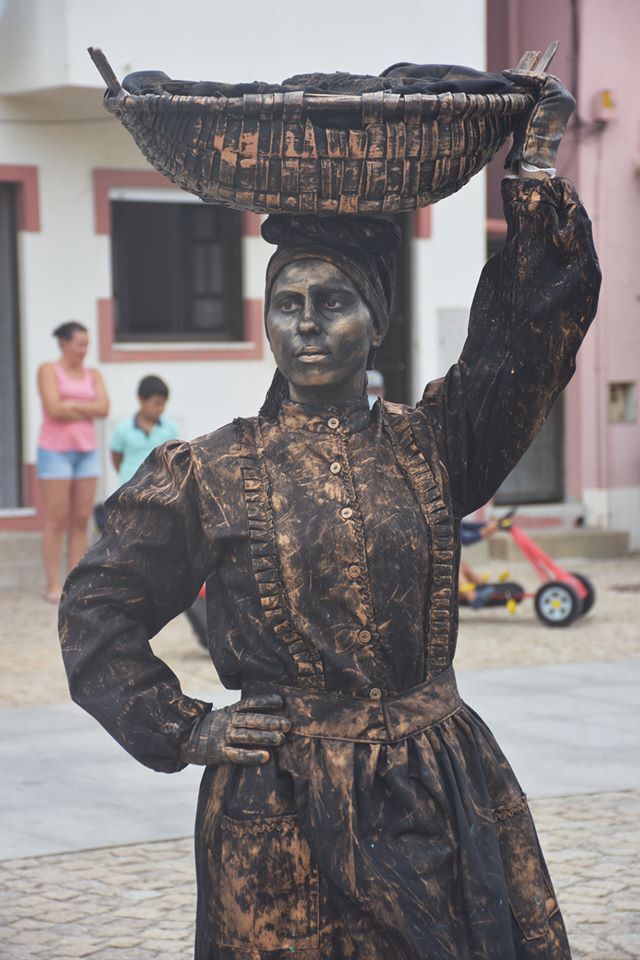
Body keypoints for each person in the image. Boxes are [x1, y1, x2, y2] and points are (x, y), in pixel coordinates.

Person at [59, 69, 600, 959]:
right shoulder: (210, 471)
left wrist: (533, 170)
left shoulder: (438, 442)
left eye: (334, 303)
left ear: (375, 320)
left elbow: (529, 335)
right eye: (287, 304)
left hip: (434, 787)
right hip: (280, 814)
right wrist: (188, 726)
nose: (307, 325)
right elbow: (96, 609)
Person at [37, 321, 109, 603]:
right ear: (64, 343)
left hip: (86, 451)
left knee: (81, 519)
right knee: (56, 519)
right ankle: (52, 583)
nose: (84, 350)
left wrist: (71, 406)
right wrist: (83, 407)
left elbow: (104, 408)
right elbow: (53, 407)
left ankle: (73, 580)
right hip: (55, 452)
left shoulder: (93, 374)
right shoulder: (48, 370)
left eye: (87, 344)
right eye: (80, 344)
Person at [110, 375, 178, 485]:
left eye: (163, 403)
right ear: (141, 399)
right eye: (156, 403)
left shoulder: (171, 428)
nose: (160, 408)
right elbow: (117, 459)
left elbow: (173, 457)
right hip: (129, 485)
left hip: (160, 486)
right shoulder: (122, 429)